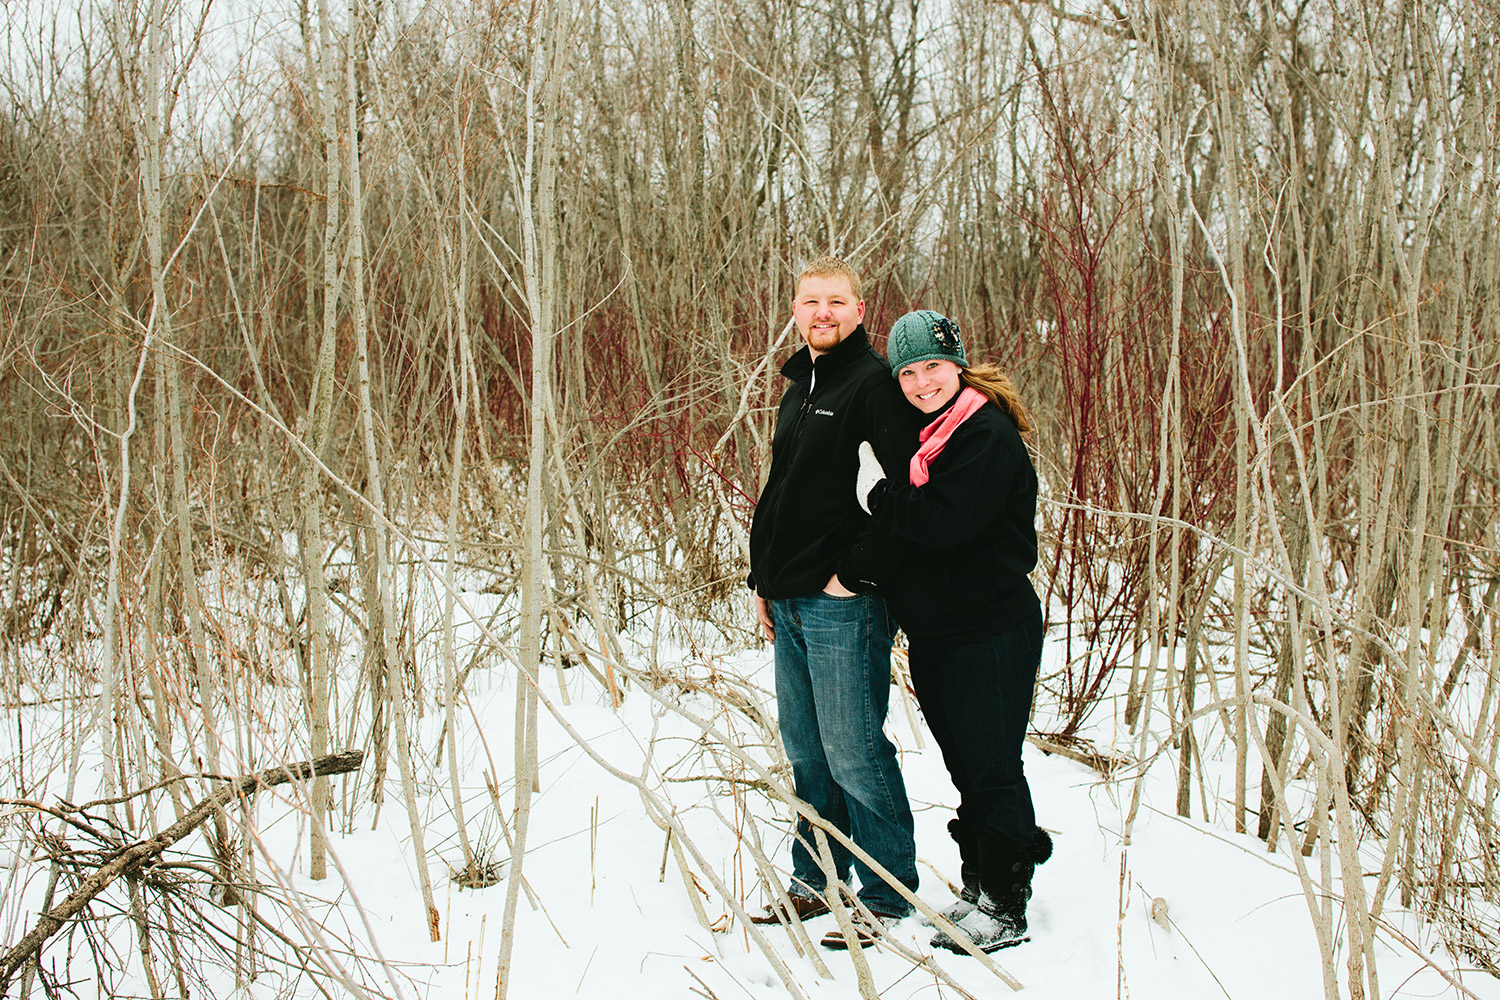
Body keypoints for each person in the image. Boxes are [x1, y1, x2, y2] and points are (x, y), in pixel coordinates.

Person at [853, 309, 1053, 953]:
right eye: (907, 371)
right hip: (945, 631)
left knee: (991, 765)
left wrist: (880, 495)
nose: (920, 381)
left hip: (990, 630)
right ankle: (983, 883)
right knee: (969, 764)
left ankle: (1005, 902)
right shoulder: (935, 433)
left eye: (932, 366)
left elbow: (944, 523)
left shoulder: (983, 432)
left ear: (957, 364)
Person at [746, 256, 921, 949]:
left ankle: (886, 891)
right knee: (808, 754)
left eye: (836, 302)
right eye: (811, 301)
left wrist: (855, 576)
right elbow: (786, 491)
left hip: (840, 605)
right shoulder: (801, 384)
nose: (823, 312)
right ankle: (816, 880)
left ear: (859, 310)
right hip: (788, 599)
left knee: (853, 751)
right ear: (795, 309)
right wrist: (765, 581)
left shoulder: (873, 386)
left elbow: (907, 495)